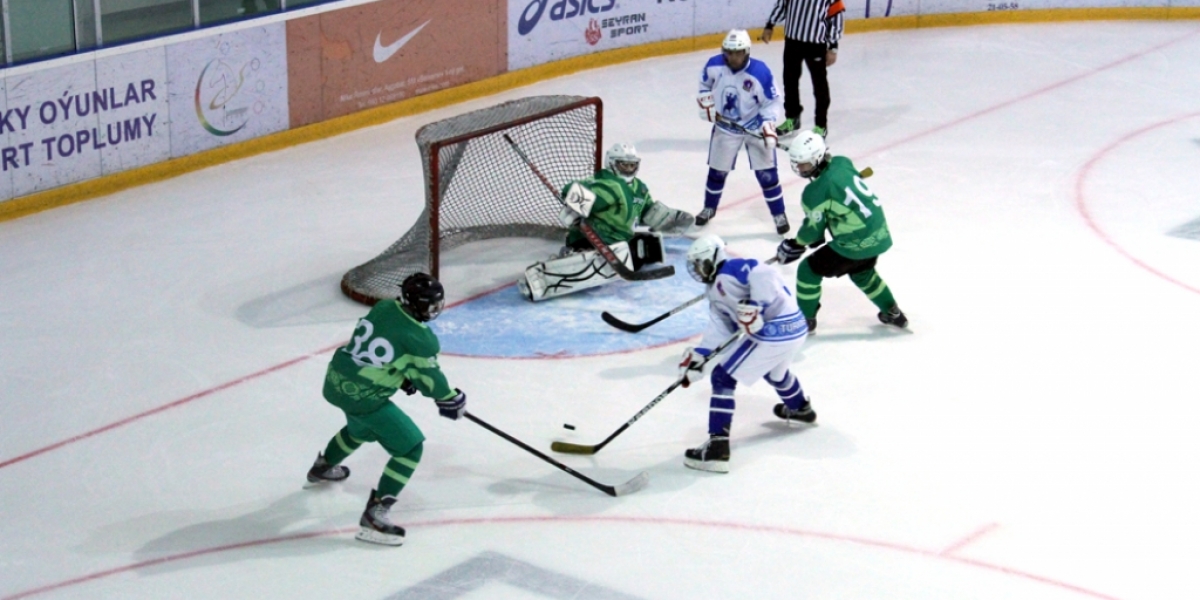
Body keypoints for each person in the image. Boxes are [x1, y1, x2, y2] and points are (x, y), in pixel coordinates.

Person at [304, 272, 466, 546]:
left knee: (361, 428)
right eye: (429, 304)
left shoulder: (384, 307)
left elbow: (377, 348)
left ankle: (324, 466)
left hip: (336, 380)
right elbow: (431, 383)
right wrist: (450, 398)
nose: (434, 310)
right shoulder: (420, 338)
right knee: (410, 448)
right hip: (365, 395)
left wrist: (400, 375)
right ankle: (375, 515)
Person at [678, 234, 815, 473]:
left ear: (714, 257)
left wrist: (757, 304)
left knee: (723, 378)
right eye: (695, 265)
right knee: (775, 374)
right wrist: (701, 356)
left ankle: (717, 448)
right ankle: (800, 408)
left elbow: (764, 273)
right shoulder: (714, 291)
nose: (699, 270)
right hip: (794, 328)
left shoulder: (731, 268)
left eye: (702, 263)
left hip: (775, 330)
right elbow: (722, 327)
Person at [518, 142, 693, 301]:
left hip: (619, 242)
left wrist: (664, 218)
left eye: (633, 165)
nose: (629, 169)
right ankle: (572, 256)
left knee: (647, 246)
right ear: (612, 163)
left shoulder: (639, 187)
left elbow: (647, 209)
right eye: (624, 165)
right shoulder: (607, 184)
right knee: (598, 257)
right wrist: (576, 202)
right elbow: (571, 188)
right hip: (592, 239)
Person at [775, 131, 907, 332]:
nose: (800, 168)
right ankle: (893, 312)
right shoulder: (842, 162)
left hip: (855, 243)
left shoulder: (814, 193)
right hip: (879, 233)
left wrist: (795, 244)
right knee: (862, 273)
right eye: (798, 163)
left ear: (818, 159)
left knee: (808, 270)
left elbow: (813, 232)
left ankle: (804, 321)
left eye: (805, 164)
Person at [694, 29, 790, 235]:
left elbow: (772, 102)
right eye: (729, 52)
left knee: (767, 175)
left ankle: (779, 214)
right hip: (725, 127)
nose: (733, 57)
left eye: (737, 53)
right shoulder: (714, 65)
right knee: (717, 171)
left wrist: (767, 124)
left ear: (746, 52)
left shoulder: (760, 72)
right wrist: (706, 103)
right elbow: (704, 84)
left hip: (754, 125)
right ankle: (709, 208)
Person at [761, 0, 846, 138]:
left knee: (820, 86)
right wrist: (770, 25)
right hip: (792, 41)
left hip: (816, 44)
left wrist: (833, 46)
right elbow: (782, 4)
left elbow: (836, 16)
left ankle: (821, 125)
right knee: (789, 81)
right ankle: (792, 118)